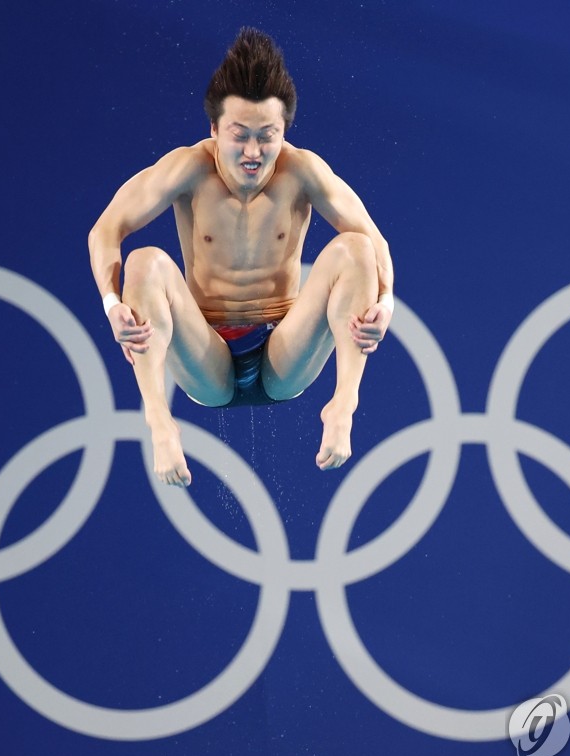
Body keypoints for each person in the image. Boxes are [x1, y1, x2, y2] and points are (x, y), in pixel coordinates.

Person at [89, 27, 395, 488]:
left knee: (357, 249)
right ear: (214, 129)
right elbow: (106, 230)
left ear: (284, 131)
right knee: (144, 262)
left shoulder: (303, 171)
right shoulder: (188, 169)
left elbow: (377, 242)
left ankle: (343, 405)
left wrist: (385, 304)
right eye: (239, 135)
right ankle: (158, 421)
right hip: (204, 357)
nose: (253, 152)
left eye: (267, 136)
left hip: (283, 357)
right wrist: (112, 305)